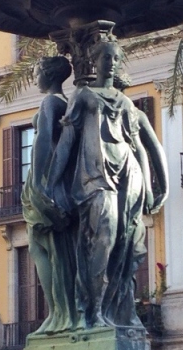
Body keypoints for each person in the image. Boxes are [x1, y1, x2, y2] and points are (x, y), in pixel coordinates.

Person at [45, 38, 168, 330]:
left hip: (128, 174)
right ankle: (93, 312)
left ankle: (119, 310)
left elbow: (140, 147)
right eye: (106, 58)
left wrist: (155, 185)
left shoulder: (126, 103)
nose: (111, 63)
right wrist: (51, 183)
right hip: (95, 177)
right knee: (103, 238)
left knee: (128, 244)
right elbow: (67, 141)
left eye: (115, 58)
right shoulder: (83, 96)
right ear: (95, 61)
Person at [22, 55, 78, 333]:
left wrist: (38, 185)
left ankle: (57, 312)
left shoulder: (50, 103)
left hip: (46, 179)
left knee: (42, 248)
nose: (35, 78)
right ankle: (61, 311)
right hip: (60, 180)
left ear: (49, 74)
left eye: (36, 73)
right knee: (57, 251)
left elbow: (43, 139)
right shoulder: (66, 104)